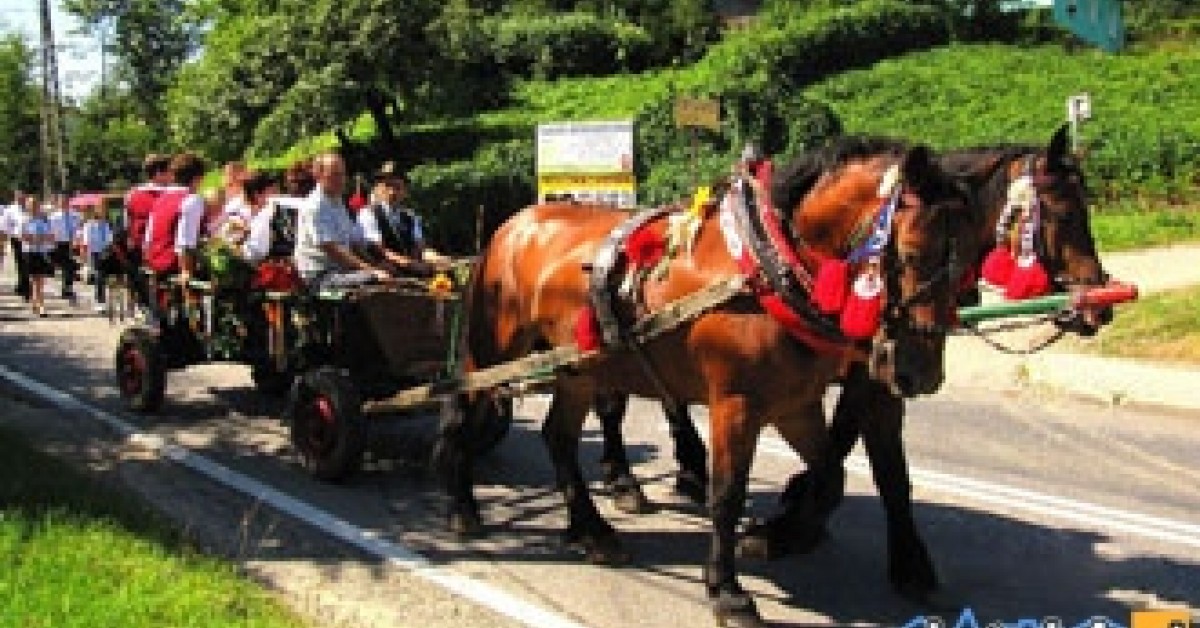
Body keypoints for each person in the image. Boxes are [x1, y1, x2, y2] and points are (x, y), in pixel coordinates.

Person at [292, 152, 392, 289]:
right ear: (318, 176)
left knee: (387, 272)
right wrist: (371, 270)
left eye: (343, 174)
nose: (342, 180)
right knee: (373, 278)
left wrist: (376, 264)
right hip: (321, 277)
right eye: (335, 175)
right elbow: (333, 249)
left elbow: (353, 242)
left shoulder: (337, 201)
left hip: (342, 271)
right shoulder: (315, 206)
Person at [356, 161, 448, 276]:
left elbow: (420, 247)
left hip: (413, 271)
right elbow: (378, 251)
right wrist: (410, 264)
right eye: (388, 186)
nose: (392, 192)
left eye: (397, 187)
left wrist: (437, 258)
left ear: (405, 192)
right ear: (378, 188)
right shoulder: (368, 214)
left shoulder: (410, 217)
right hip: (386, 274)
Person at [124, 154, 175, 315]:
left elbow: (127, 223)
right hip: (162, 249)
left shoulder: (132, 194)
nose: (173, 176)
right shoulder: (167, 195)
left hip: (138, 248)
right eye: (170, 172)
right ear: (159, 173)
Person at [144, 152, 208, 279]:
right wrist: (186, 271)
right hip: (174, 265)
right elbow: (185, 241)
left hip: (155, 262)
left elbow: (148, 237)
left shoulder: (161, 199)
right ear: (197, 179)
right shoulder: (192, 200)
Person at [21, 197, 55, 317]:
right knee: (34, 279)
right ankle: (37, 303)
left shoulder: (45, 220)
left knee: (40, 280)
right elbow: (24, 237)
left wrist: (41, 239)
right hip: (29, 252)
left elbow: (51, 236)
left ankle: (39, 304)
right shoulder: (24, 220)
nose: (34, 207)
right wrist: (38, 238)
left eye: (35, 204)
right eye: (31, 204)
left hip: (42, 252)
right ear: (27, 206)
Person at [78, 204, 114, 313]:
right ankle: (100, 302)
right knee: (99, 276)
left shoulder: (106, 225)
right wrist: (84, 258)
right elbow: (86, 242)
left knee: (103, 277)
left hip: (106, 253)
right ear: (95, 212)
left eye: (104, 210)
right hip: (95, 253)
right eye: (100, 210)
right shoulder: (89, 225)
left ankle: (102, 299)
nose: (102, 213)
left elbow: (109, 240)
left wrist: (108, 250)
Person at [48, 193, 82, 303]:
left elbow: (79, 229)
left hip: (72, 243)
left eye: (65, 201)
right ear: (58, 203)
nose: (63, 203)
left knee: (70, 266)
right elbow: (51, 232)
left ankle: (67, 288)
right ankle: (67, 288)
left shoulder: (75, 215)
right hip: (59, 243)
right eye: (61, 201)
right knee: (67, 266)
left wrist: (77, 240)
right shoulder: (53, 217)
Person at [2, 190, 30, 300]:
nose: (21, 198)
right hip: (17, 239)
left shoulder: (29, 207)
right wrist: (6, 238)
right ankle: (24, 286)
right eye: (19, 196)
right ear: (15, 197)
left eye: (23, 196)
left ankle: (24, 286)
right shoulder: (10, 209)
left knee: (27, 263)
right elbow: (5, 225)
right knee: (21, 263)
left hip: (29, 239)